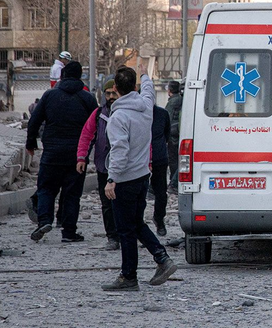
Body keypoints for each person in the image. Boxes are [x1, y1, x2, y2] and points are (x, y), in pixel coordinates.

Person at [102, 65, 177, 291]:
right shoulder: (145, 106)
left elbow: (119, 150)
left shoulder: (118, 117)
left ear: (115, 89)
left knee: (125, 229)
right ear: (133, 86)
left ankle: (129, 276)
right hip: (143, 175)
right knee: (136, 222)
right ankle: (161, 258)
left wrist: (111, 178)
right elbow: (149, 90)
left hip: (124, 179)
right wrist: (145, 74)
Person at [27, 61, 98, 243]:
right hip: (77, 156)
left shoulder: (50, 95)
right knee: (72, 194)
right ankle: (69, 232)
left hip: (52, 152)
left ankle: (44, 220)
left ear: (62, 75)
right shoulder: (88, 99)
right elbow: (97, 126)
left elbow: (34, 120)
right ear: (80, 76)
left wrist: (31, 143)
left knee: (46, 188)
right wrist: (91, 149)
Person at [76, 79, 120, 250]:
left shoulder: (129, 113)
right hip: (104, 167)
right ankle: (112, 237)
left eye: (113, 93)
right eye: (107, 94)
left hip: (125, 168)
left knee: (125, 203)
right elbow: (86, 136)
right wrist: (81, 157)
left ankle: (127, 234)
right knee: (107, 204)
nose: (110, 97)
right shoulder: (98, 114)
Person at [150, 103, 171, 236]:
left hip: (159, 159)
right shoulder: (134, 111)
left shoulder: (162, 114)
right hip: (138, 160)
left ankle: (159, 219)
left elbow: (166, 135)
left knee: (161, 194)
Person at [164, 81, 182, 192]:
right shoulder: (181, 99)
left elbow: (167, 118)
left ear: (169, 90)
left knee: (173, 159)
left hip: (173, 133)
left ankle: (173, 182)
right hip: (179, 132)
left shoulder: (172, 102)